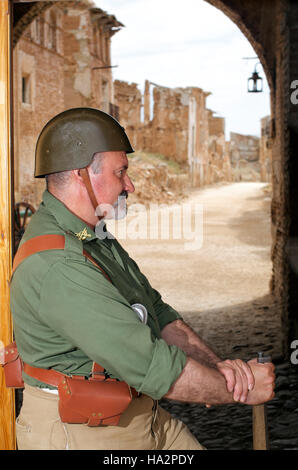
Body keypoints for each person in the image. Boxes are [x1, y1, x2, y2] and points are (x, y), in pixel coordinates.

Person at [10, 108, 275, 450]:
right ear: (81, 175)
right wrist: (240, 388)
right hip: (80, 431)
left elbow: (156, 311)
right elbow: (150, 364)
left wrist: (219, 367)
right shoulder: (58, 263)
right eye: (121, 173)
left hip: (137, 414)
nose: (130, 185)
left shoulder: (92, 234)